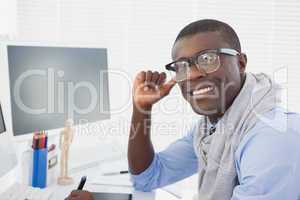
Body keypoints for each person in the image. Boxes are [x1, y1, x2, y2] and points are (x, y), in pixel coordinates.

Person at [65, 19, 300, 199]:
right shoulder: (211, 128)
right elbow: (147, 177)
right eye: (182, 66)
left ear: (240, 63)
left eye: (208, 59)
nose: (194, 73)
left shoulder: (272, 136)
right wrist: (141, 109)